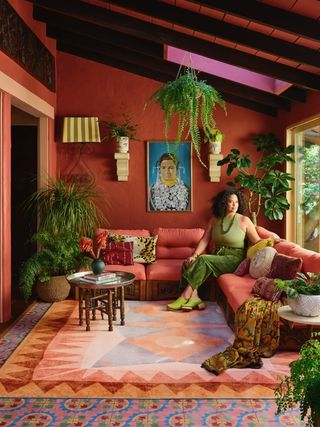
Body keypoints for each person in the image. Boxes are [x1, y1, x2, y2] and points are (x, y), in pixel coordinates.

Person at [167, 189, 261, 311]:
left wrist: (273, 240)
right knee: (188, 262)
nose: (234, 205)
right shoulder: (215, 219)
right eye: (230, 202)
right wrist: (194, 255)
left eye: (236, 202)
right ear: (223, 203)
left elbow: (257, 241)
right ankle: (194, 296)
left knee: (204, 259)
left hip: (234, 259)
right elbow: (205, 240)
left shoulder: (244, 220)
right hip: (217, 255)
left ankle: (185, 295)